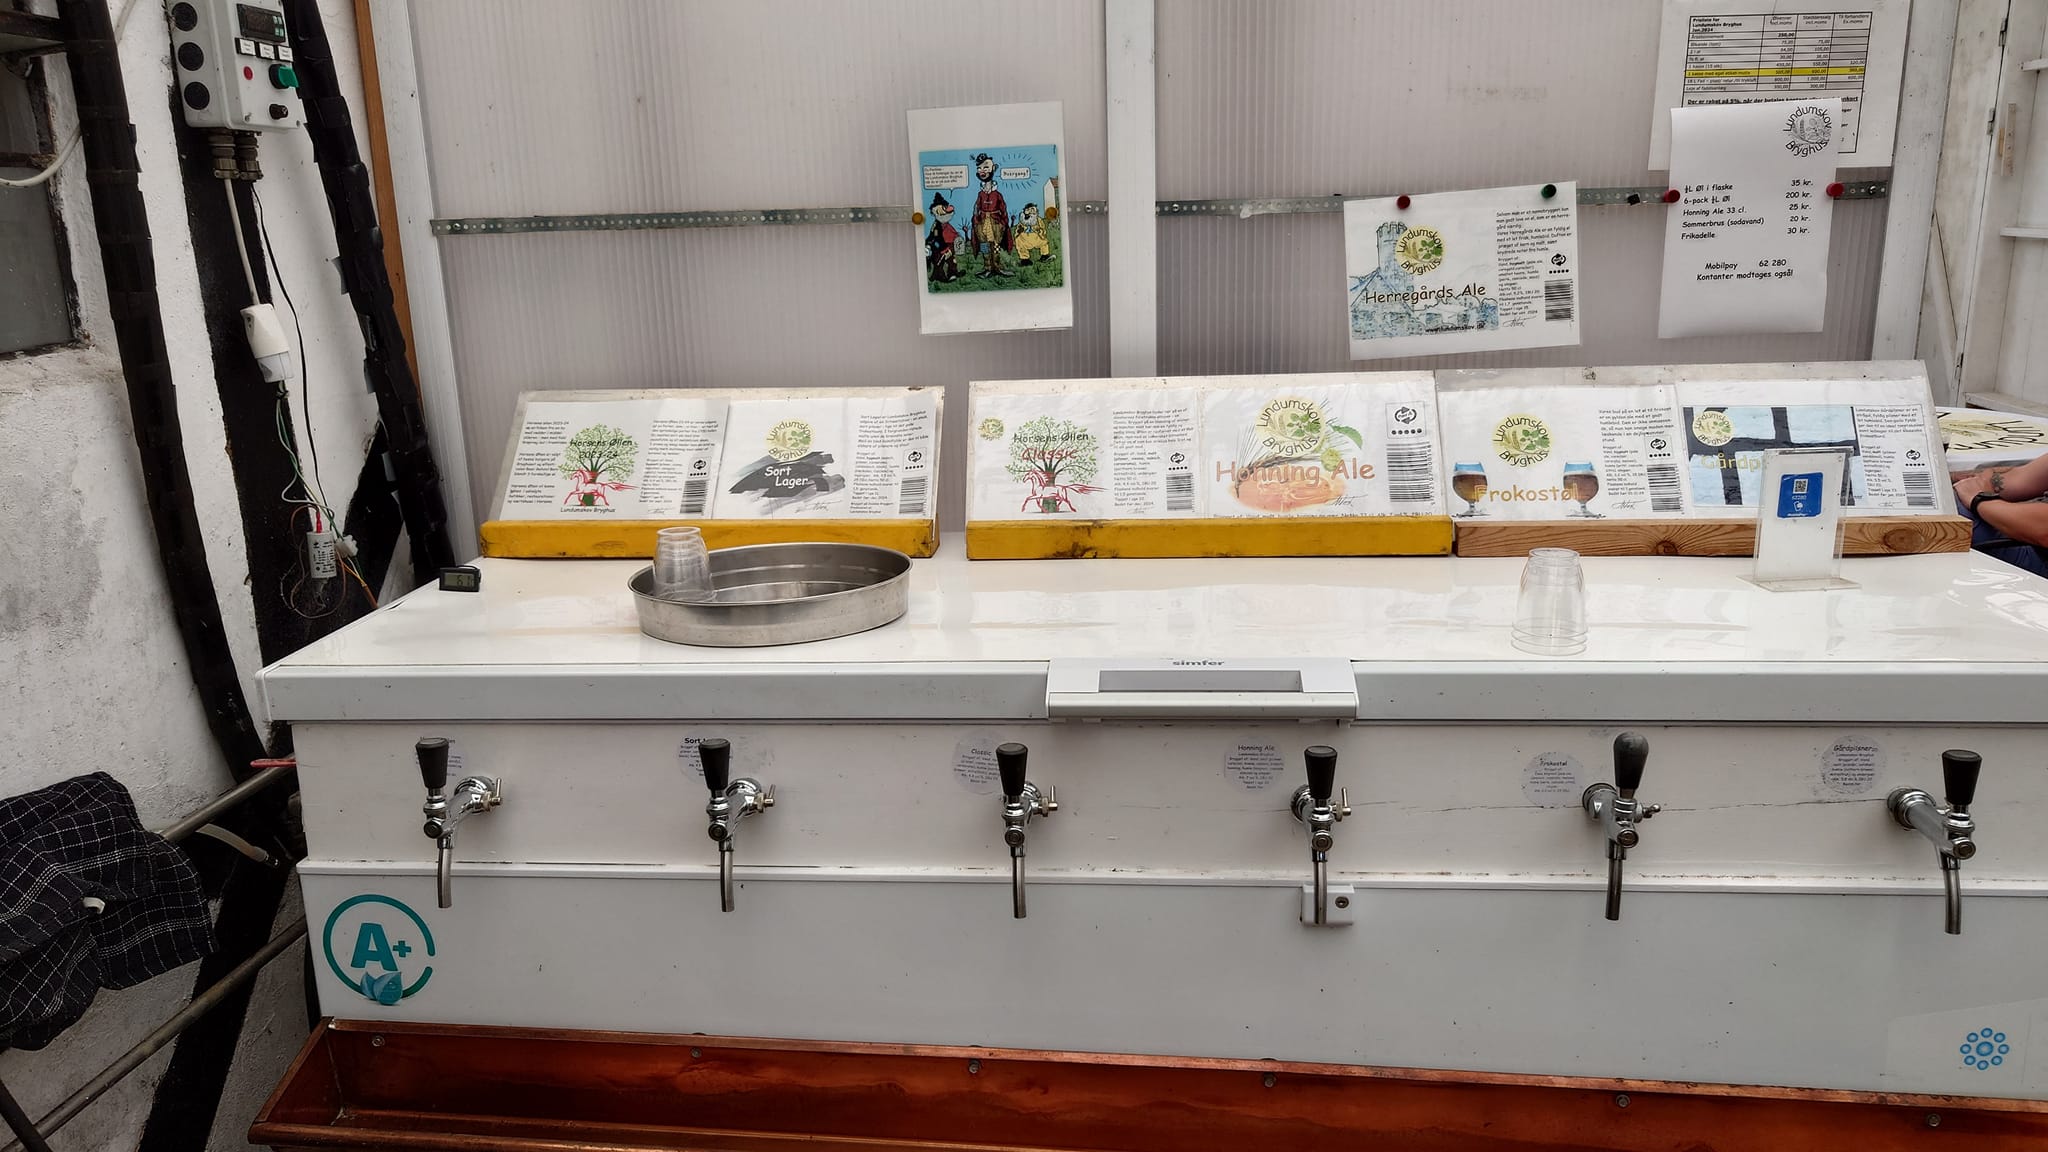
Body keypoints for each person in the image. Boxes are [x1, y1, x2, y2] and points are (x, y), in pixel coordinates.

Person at [1953, 454, 2048, 576]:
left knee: (1950, 515)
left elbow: (2044, 531)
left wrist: (1979, 499)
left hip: (2039, 556)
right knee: (1947, 499)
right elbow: (2017, 480)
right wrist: (1969, 482)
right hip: (2032, 533)